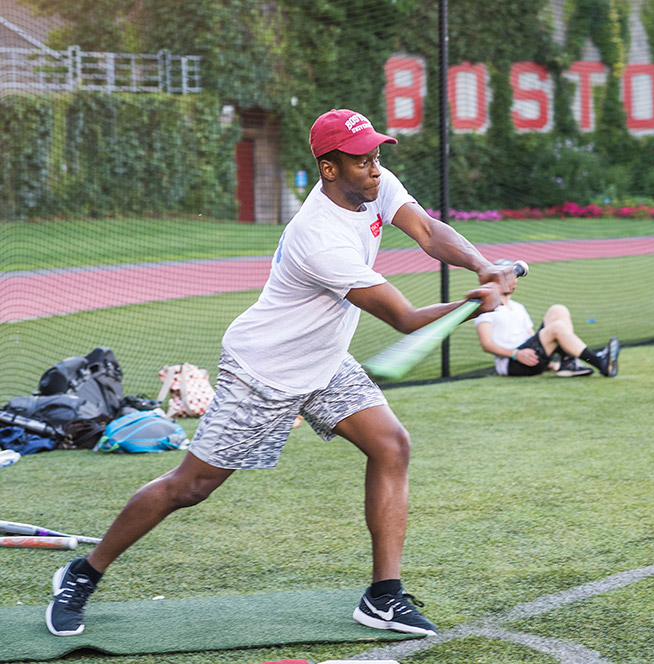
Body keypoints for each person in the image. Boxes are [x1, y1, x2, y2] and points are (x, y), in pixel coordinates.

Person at [45, 109, 518, 639]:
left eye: (376, 156)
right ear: (328, 167)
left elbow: (429, 232)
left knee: (391, 445)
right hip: (265, 369)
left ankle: (383, 596)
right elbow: (405, 319)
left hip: (324, 361)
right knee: (191, 486)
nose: (374, 169)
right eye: (361, 160)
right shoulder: (318, 237)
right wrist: (477, 305)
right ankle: (81, 574)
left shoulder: (373, 186)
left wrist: (482, 266)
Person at [474, 270, 620, 378]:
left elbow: (531, 335)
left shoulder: (517, 306)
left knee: (558, 310)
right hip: (513, 363)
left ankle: (568, 362)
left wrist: (547, 357)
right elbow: (486, 344)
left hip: (532, 354)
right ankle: (600, 363)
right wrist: (515, 354)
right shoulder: (486, 309)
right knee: (556, 328)